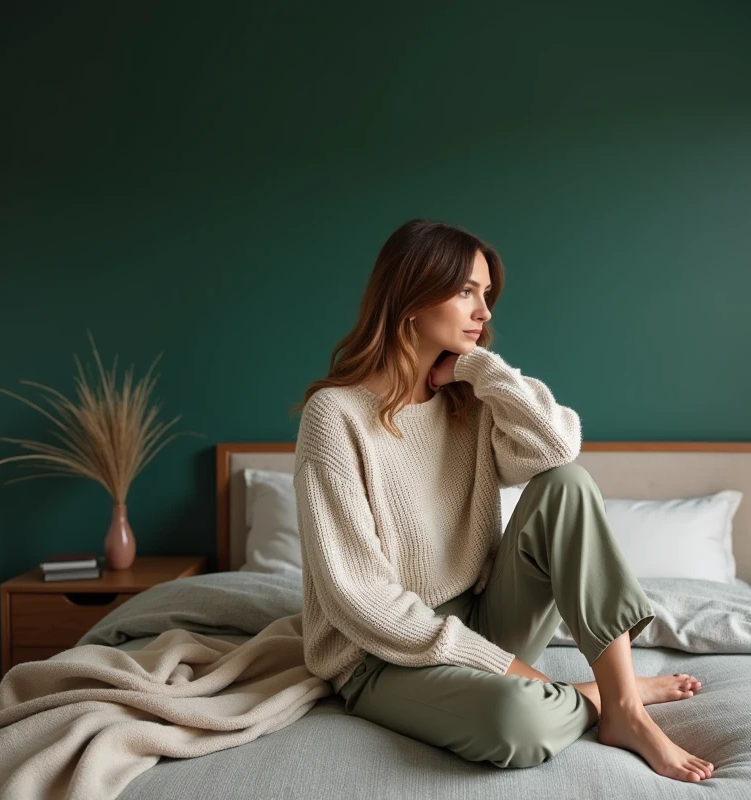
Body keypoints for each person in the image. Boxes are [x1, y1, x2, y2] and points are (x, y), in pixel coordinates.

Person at [290, 218, 714, 782]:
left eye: (486, 294)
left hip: (484, 613)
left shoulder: (470, 400)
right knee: (519, 723)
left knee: (567, 484)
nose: (484, 312)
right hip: (381, 655)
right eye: (467, 291)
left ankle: (626, 709)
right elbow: (359, 598)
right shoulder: (336, 417)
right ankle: (597, 695)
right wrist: (507, 668)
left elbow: (556, 448)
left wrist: (479, 368)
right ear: (411, 296)